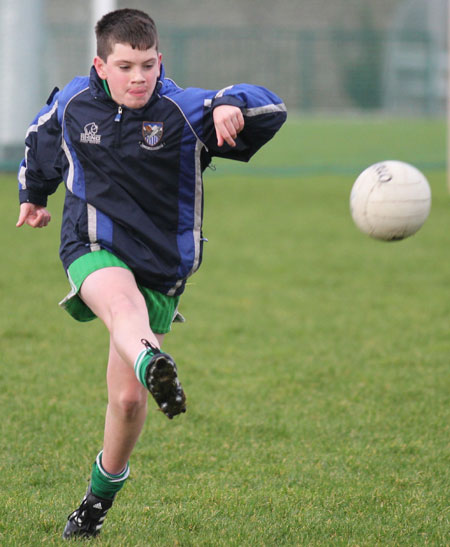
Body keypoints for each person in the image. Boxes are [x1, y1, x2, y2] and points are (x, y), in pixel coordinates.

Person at [16, 8, 287, 540]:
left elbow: (272, 108)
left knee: (127, 400)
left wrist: (235, 101)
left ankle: (96, 501)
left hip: (161, 265)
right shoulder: (75, 104)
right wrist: (33, 194)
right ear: (100, 66)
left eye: (146, 65)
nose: (138, 77)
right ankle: (152, 360)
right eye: (124, 66)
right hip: (92, 245)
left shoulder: (184, 111)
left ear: (160, 61)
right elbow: (41, 138)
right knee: (121, 306)